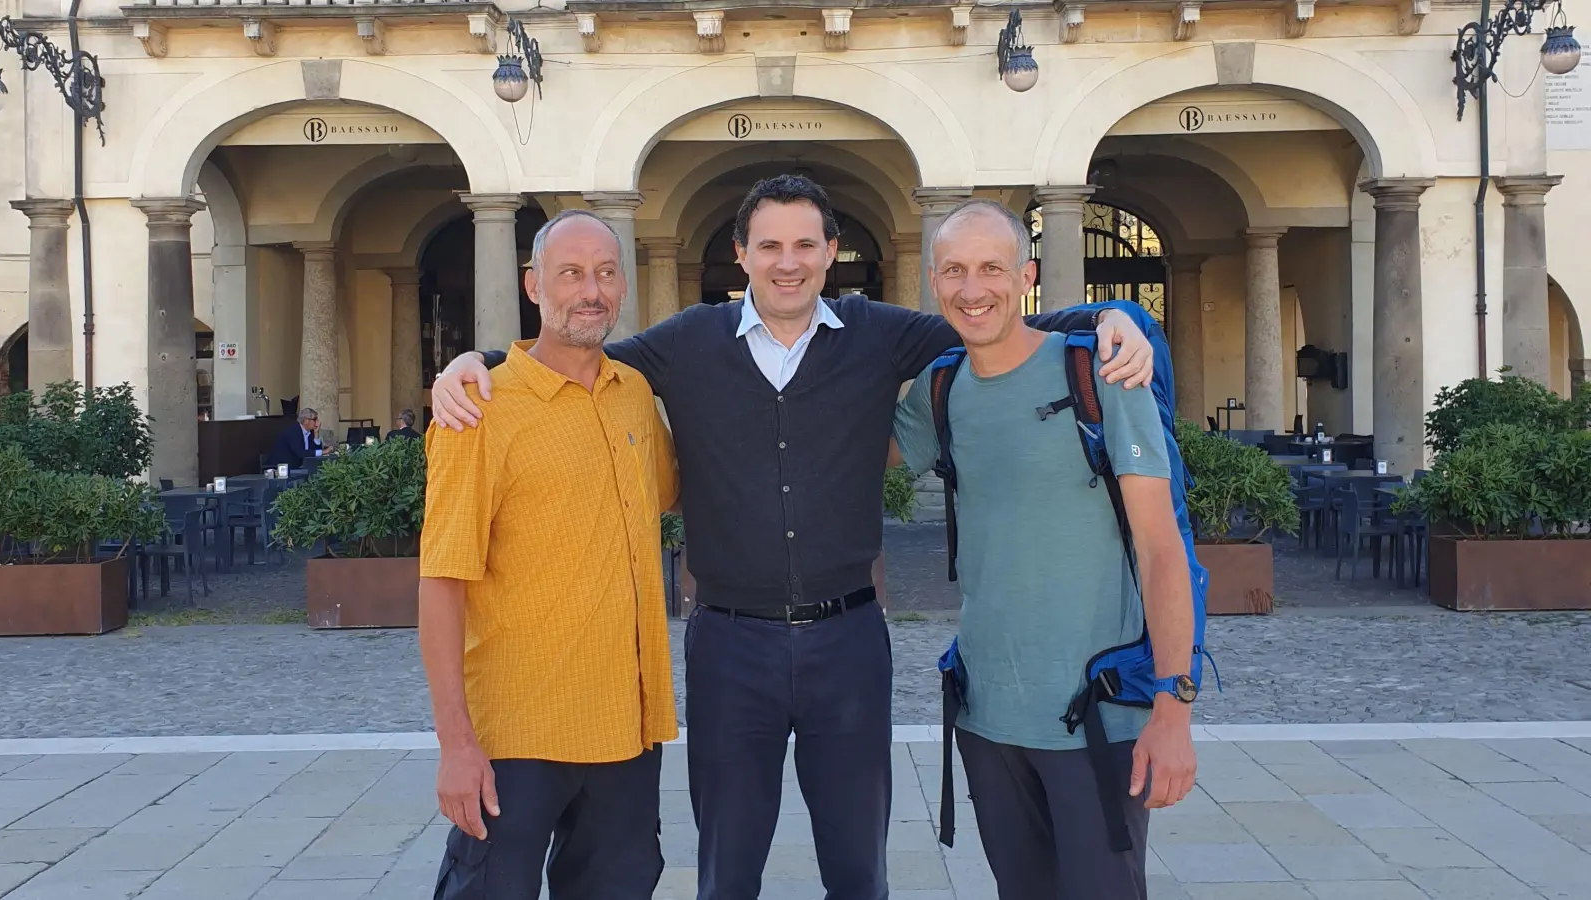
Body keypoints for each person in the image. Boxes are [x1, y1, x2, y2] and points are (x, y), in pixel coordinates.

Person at [428, 175, 1156, 900]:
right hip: (728, 649)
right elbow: (577, 351)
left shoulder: (877, 332)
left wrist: (1106, 321)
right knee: (727, 870)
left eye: (806, 244)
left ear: (832, 252)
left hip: (848, 644)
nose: (788, 261)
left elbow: (991, 322)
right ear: (741, 253)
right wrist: (477, 362)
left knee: (858, 869)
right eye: (769, 244)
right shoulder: (687, 342)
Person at [890, 199, 1196, 900]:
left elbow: (1160, 552)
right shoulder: (941, 389)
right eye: (956, 271)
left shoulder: (1099, 374)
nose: (974, 289)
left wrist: (1174, 713)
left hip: (1097, 715)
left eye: (992, 268)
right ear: (934, 283)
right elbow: (845, 454)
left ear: (1026, 276)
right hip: (987, 716)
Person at [418, 209, 680, 900]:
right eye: (570, 273)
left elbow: (669, 495)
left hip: (627, 727)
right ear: (534, 286)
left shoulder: (635, 396)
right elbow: (442, 581)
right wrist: (455, 745)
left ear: (622, 284)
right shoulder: (479, 407)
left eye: (604, 272)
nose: (589, 290)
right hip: (517, 733)